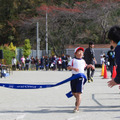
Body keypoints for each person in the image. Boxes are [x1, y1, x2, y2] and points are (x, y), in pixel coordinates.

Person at [67, 47, 87, 113]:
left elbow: (85, 66)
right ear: (75, 53)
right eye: (79, 52)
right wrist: (73, 68)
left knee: (78, 94)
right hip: (73, 77)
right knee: (73, 92)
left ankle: (77, 107)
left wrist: (90, 66)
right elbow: (68, 67)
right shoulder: (72, 60)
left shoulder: (83, 61)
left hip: (80, 78)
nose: (81, 53)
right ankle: (78, 100)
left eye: (82, 52)